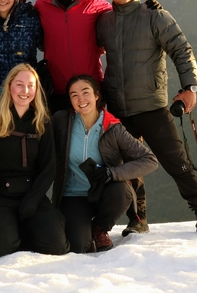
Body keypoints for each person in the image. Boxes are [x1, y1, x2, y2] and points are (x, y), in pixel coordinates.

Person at [96, 0, 197, 239]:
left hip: (152, 106)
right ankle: (138, 219)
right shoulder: (103, 21)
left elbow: (181, 49)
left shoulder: (155, 15)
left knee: (176, 162)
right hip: (118, 109)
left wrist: (190, 87)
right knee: (129, 168)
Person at [53, 75, 158, 253]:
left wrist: (112, 173)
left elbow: (150, 161)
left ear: (96, 95)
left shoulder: (113, 128)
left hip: (105, 192)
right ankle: (85, 230)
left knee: (122, 191)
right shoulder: (61, 122)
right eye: (74, 95)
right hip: (74, 195)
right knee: (79, 246)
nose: (81, 99)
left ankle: (100, 229)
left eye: (85, 92)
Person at [0, 63, 69, 258]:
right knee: (1, 248)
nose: (25, 91)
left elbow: (49, 167)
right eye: (19, 84)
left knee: (56, 245)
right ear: (10, 86)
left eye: (31, 85)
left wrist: (33, 201)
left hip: (31, 193)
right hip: (0, 195)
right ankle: (10, 231)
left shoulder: (42, 121)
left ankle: (27, 229)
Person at [35, 0, 111, 113]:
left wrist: (146, 9)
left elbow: (122, 13)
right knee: (62, 138)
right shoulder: (41, 5)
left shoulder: (93, 2)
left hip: (91, 88)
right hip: (57, 88)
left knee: (93, 138)